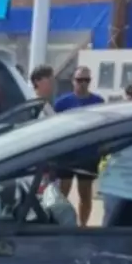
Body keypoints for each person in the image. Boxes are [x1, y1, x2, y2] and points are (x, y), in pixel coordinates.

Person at [52, 66, 105, 227]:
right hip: (66, 153)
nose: (83, 83)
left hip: (88, 153)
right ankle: (59, 226)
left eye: (86, 80)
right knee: (62, 194)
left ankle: (82, 227)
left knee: (85, 194)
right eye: (79, 80)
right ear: (73, 81)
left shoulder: (98, 102)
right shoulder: (61, 103)